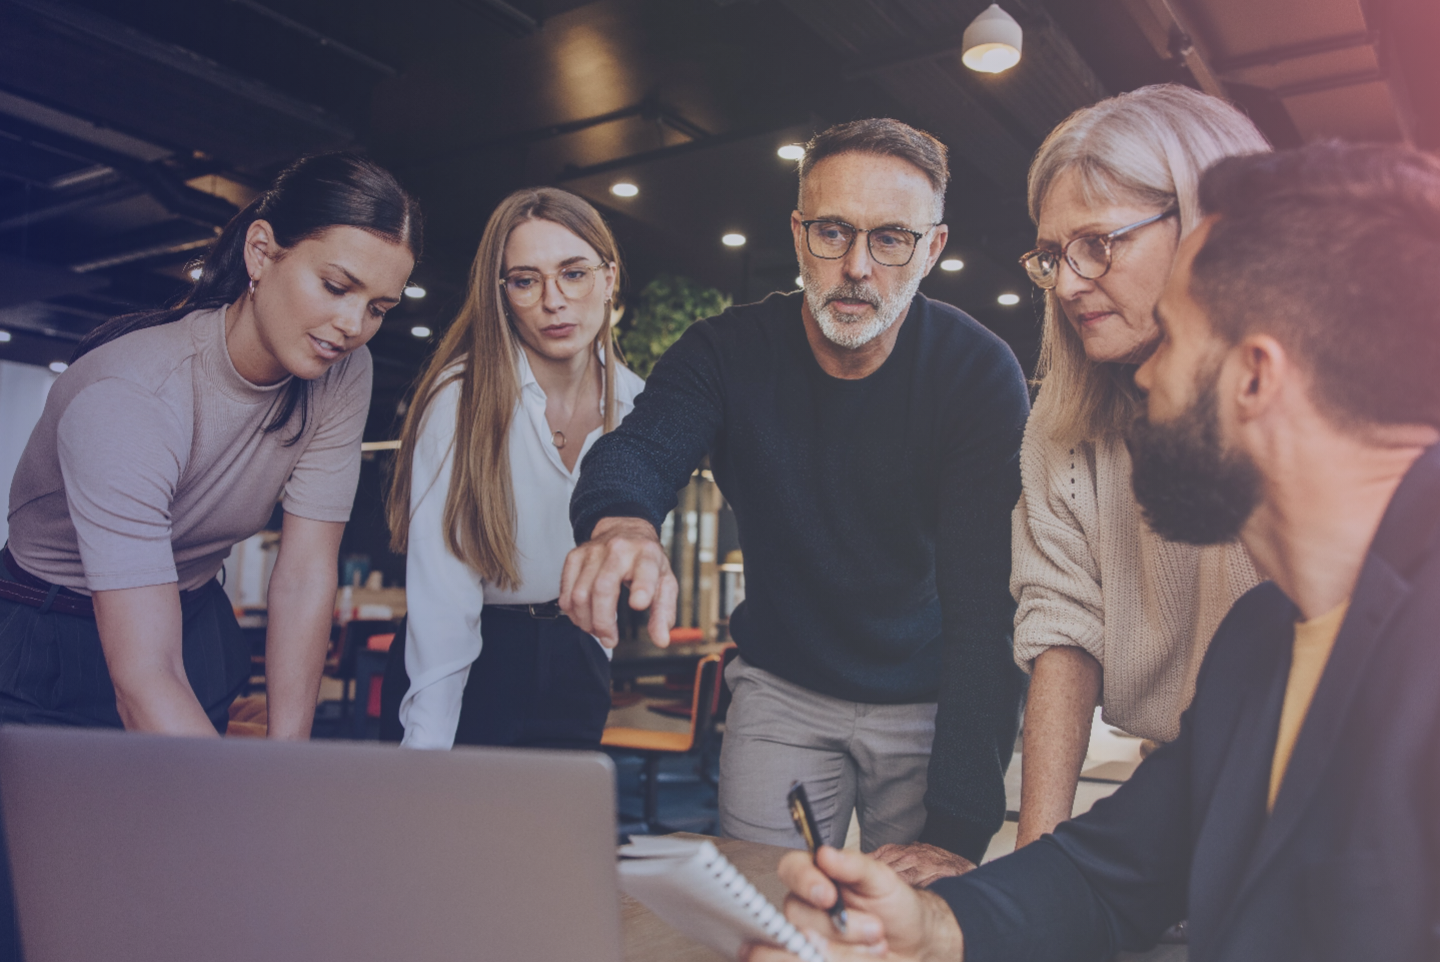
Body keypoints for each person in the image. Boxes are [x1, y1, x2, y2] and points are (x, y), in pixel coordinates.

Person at [746, 141, 1440, 961]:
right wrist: (929, 924)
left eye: (1173, 341)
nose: (1146, 383)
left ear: (1255, 378)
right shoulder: (1261, 645)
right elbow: (1108, 875)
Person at [562, 118, 1030, 865]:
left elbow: (986, 609)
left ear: (932, 248)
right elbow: (641, 449)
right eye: (833, 232)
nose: (856, 267)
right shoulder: (725, 351)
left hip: (927, 697)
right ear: (796, 233)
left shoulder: (977, 374)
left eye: (890, 239)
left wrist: (957, 831)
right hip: (781, 688)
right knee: (759, 914)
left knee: (909, 927)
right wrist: (622, 521)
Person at [0, 151, 419, 962]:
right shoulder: (130, 396)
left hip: (195, 621)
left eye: (379, 306)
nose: (351, 326)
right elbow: (139, 673)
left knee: (175, 908)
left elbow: (302, 575)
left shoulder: (343, 370)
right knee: (47, 922)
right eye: (336, 287)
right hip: (41, 647)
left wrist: (283, 778)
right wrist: (245, 824)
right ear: (262, 254)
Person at [880, 86, 1269, 884]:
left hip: (1310, 793)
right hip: (1174, 787)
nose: (1065, 283)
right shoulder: (1062, 423)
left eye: (1097, 244)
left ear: (1202, 223)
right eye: (1053, 255)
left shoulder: (1300, 412)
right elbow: (1062, 629)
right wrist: (1032, 868)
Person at [383, 187, 643, 750]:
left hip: (577, 655)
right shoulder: (459, 398)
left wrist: (596, 649)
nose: (554, 300)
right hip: (473, 656)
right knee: (451, 836)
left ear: (609, 277)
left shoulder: (639, 406)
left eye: (574, 273)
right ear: (502, 294)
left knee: (557, 837)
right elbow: (444, 601)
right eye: (526, 280)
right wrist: (424, 754)